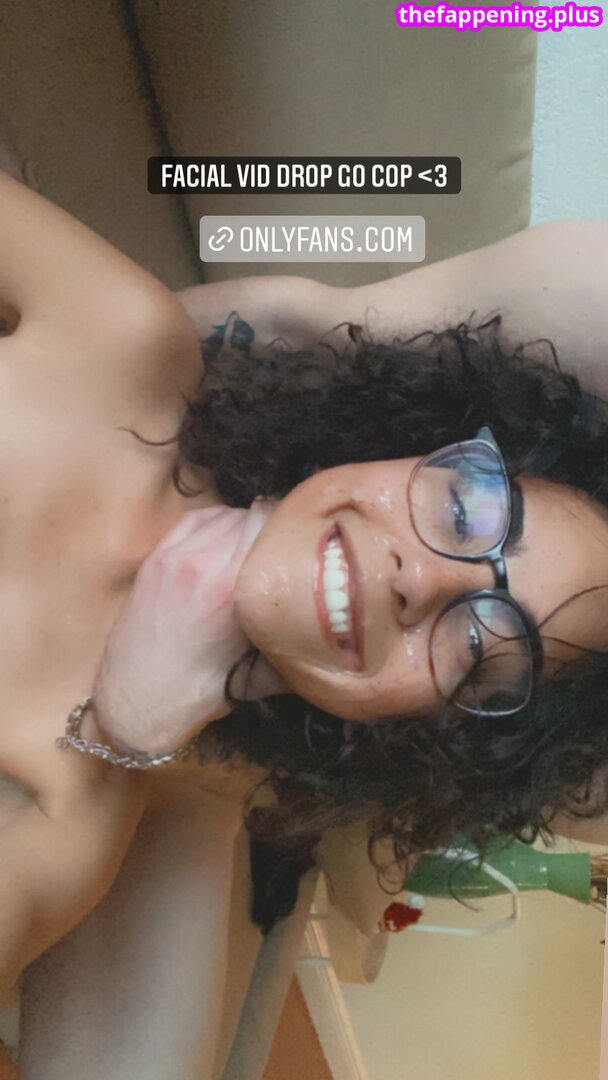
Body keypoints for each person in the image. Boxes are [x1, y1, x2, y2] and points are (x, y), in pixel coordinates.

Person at [1, 158, 607, 1007]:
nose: (424, 577)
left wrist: (125, 736)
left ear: (415, 733)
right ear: (409, 442)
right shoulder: (124, 335)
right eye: (465, 508)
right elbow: (302, 314)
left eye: (476, 647)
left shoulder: (67, 816)